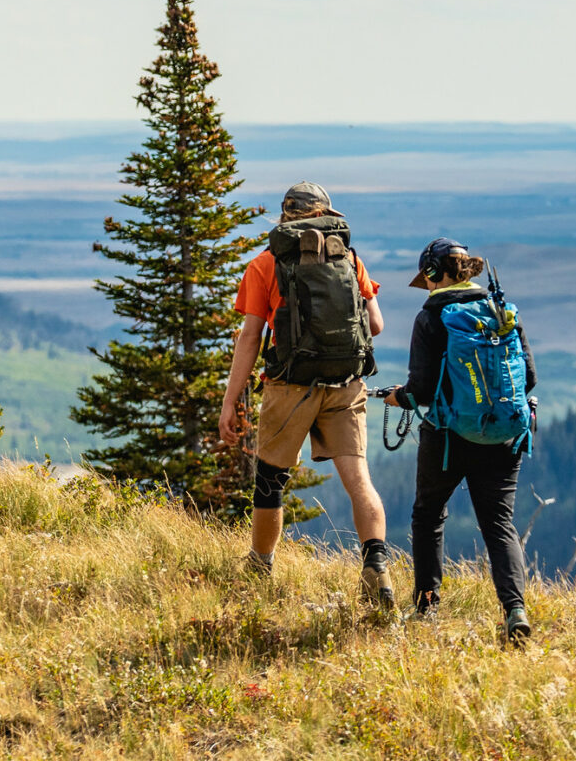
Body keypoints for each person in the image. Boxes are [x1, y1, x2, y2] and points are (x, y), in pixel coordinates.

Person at [219, 181, 395, 605]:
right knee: (358, 480)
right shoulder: (349, 259)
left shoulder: (265, 264)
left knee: (271, 480)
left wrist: (231, 400)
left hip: (289, 386)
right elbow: (375, 326)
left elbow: (249, 338)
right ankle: (376, 566)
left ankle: (260, 565)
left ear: (286, 215)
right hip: (345, 383)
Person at [384, 237, 537, 644]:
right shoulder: (501, 309)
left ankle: (427, 604)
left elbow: (423, 390)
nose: (427, 286)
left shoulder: (432, 318)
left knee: (428, 514)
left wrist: (399, 397)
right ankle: (514, 610)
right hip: (504, 436)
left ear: (433, 274)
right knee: (499, 525)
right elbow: (531, 380)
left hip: (449, 439)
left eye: (427, 278)